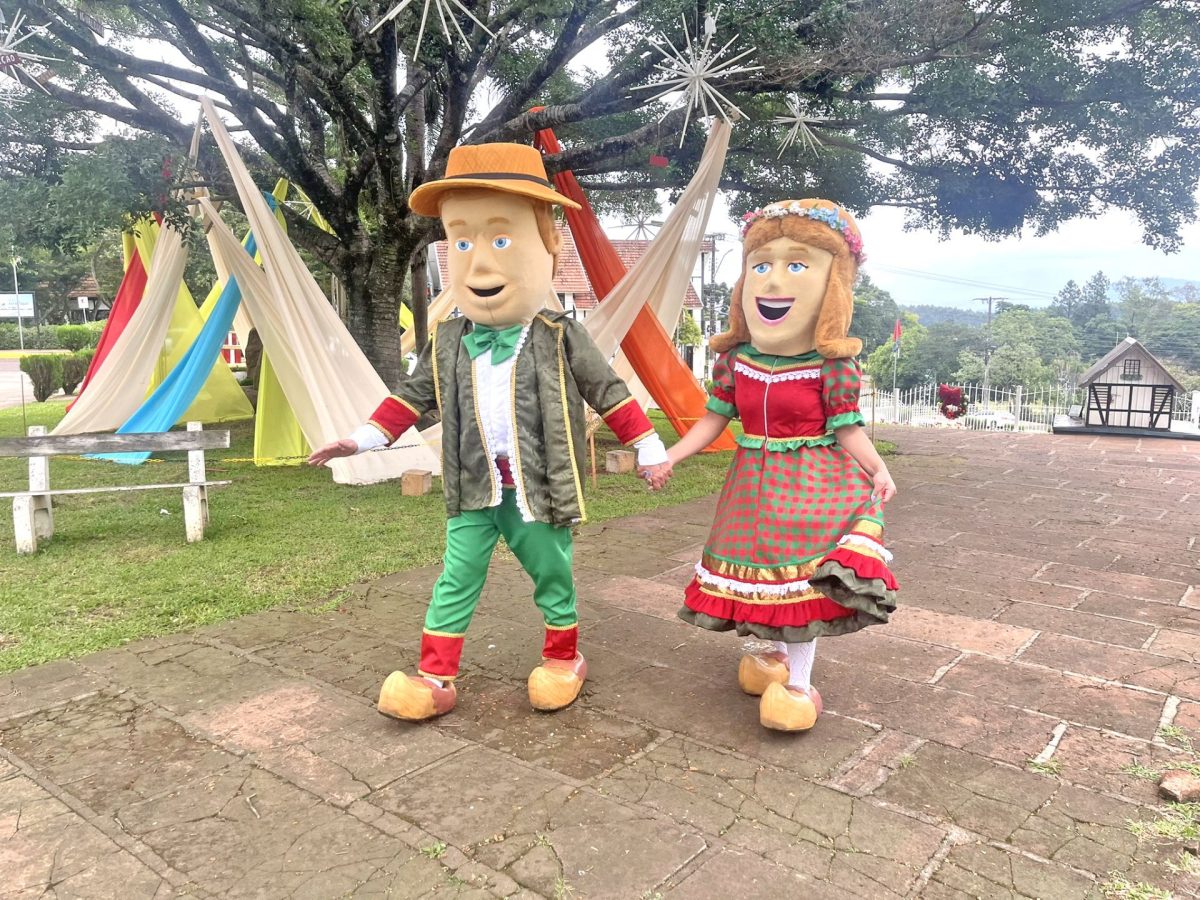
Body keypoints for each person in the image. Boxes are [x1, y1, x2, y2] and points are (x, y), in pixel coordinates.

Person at [309, 142, 671, 721]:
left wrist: (649, 449)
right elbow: (414, 398)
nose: (479, 264)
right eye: (463, 241)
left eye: (501, 240)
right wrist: (361, 439)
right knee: (458, 575)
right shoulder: (449, 338)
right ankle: (434, 678)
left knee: (551, 572)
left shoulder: (560, 335)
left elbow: (610, 392)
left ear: (545, 246)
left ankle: (563, 658)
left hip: (539, 485)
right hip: (475, 485)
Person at [665, 199, 898, 732]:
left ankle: (798, 686)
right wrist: (669, 456)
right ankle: (768, 657)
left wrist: (877, 470)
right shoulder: (736, 360)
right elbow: (713, 420)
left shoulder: (831, 366)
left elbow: (846, 427)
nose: (772, 281)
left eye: (797, 265)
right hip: (752, 488)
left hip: (815, 486)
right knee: (759, 578)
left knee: (804, 585)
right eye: (761, 264)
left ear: (834, 284)